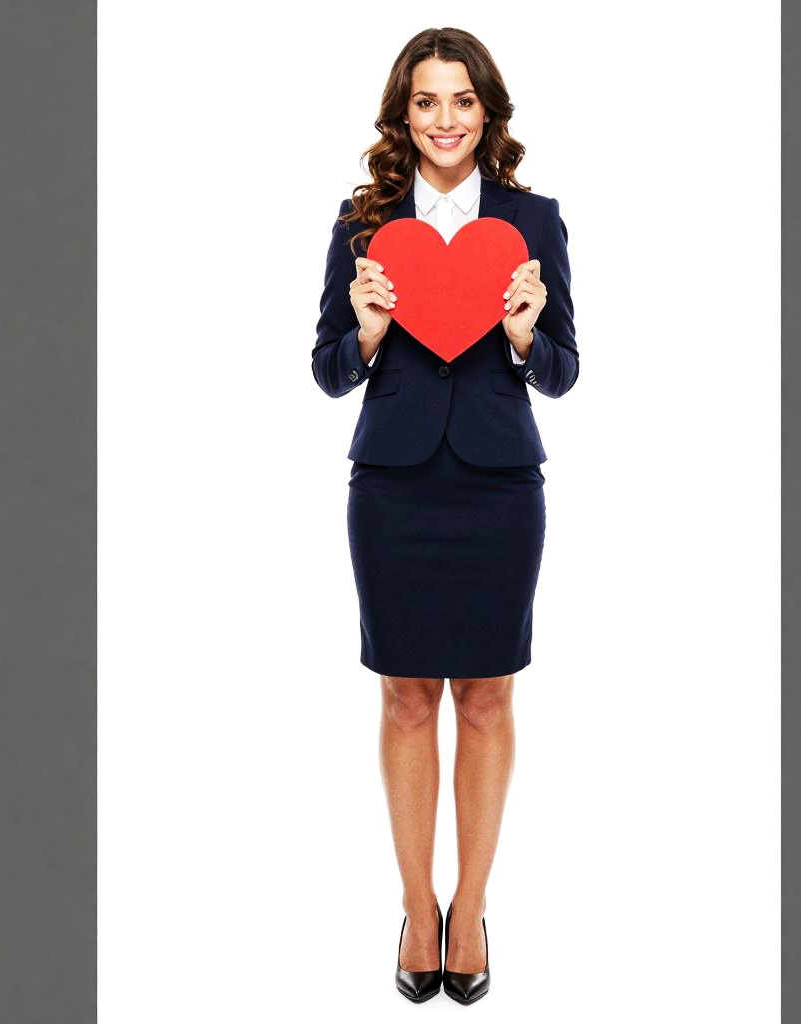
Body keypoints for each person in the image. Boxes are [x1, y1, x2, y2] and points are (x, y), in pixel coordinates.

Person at [311, 27, 579, 1005]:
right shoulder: (361, 219)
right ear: (403, 112)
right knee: (404, 694)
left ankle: (469, 909)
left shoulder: (532, 219)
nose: (444, 120)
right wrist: (369, 330)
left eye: (461, 101)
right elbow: (328, 366)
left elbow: (563, 368)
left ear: (486, 110)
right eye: (426, 101)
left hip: (500, 487)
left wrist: (520, 337)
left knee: (488, 695)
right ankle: (413, 905)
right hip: (392, 486)